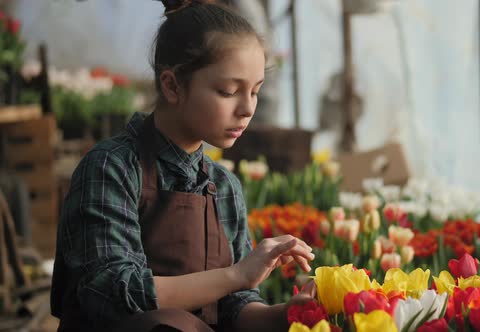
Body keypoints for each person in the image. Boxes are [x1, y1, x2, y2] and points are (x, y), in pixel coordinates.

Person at [50, 1, 315, 331]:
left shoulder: (224, 186)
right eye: (228, 91)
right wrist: (236, 274)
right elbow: (112, 291)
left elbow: (234, 306)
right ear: (172, 85)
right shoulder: (111, 168)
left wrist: (291, 314)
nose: (247, 108)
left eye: (255, 91)